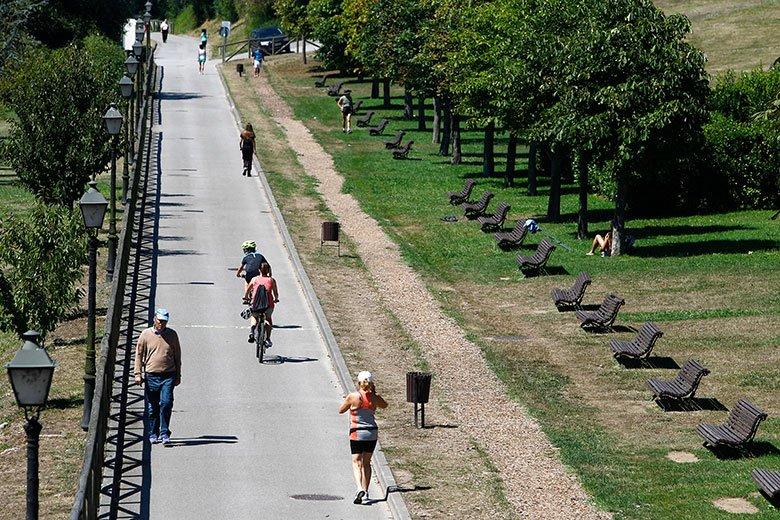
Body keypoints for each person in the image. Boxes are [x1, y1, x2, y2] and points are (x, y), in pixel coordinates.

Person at [338, 371, 387, 505]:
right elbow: (385, 405)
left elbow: (341, 410)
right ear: (371, 383)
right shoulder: (375, 398)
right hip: (372, 433)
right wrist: (374, 394)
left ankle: (359, 488)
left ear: (358, 382)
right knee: (367, 462)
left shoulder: (353, 397)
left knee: (356, 462)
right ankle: (365, 493)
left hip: (357, 432)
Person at [134, 309, 181, 446]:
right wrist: (138, 374)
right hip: (151, 375)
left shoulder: (172, 335)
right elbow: (138, 355)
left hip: (168, 375)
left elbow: (177, 356)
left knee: (166, 403)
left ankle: (165, 433)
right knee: (152, 407)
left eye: (165, 321)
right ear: (155, 319)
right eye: (160, 321)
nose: (162, 324)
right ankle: (153, 432)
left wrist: (178, 374)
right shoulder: (145, 335)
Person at [243, 262, 279, 346]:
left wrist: (246, 297)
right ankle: (268, 339)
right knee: (268, 319)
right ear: (268, 271)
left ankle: (252, 332)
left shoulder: (254, 279)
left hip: (256, 304)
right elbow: (275, 293)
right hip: (268, 305)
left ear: (259, 270)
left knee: (254, 316)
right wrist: (276, 299)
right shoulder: (271, 280)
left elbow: (248, 291)